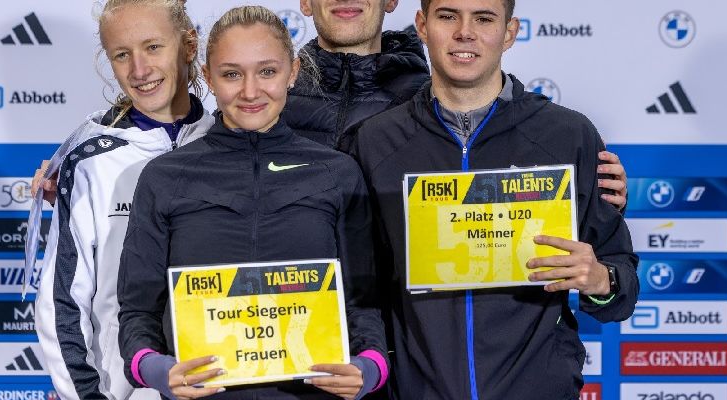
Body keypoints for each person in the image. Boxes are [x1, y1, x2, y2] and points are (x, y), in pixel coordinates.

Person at [349, 0, 639, 399]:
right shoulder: (375, 141)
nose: (464, 32)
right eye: (448, 16)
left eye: (483, 18)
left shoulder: (568, 135)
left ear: (509, 32)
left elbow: (620, 284)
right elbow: (361, 285)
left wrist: (600, 279)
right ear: (422, 25)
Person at [116, 6, 387, 400]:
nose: (250, 91)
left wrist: (370, 368)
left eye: (267, 72)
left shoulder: (337, 173)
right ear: (208, 77)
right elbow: (138, 308)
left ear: (293, 72)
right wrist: (154, 368)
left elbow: (364, 302)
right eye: (231, 74)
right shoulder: (165, 177)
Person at [32, 1, 212, 399]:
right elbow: (61, 301)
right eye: (121, 55)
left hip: (222, 383)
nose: (139, 70)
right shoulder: (90, 160)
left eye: (153, 47)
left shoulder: (227, 144)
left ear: (188, 44)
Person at [287, 0, 628, 210]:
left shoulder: (440, 102)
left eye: (483, 19)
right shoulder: (266, 104)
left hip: (403, 321)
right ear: (304, 2)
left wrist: (587, 201)